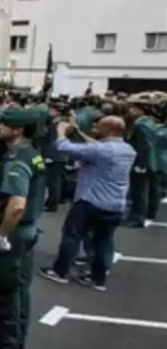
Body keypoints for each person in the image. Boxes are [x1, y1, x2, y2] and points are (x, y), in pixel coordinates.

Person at [39, 115, 135, 290]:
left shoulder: (101, 150)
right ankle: (98, 279)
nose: (95, 129)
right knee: (104, 241)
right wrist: (78, 131)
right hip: (115, 204)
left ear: (109, 130)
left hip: (90, 201)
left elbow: (64, 147)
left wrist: (61, 131)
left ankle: (60, 272)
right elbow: (96, 146)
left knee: (72, 236)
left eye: (99, 127)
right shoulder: (128, 150)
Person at [0, 107, 47, 349]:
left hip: (16, 232)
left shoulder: (17, 159)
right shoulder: (32, 154)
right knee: (20, 287)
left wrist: (2, 235)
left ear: (18, 130)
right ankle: (13, 333)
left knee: (5, 287)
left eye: (5, 124)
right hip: (29, 229)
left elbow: (17, 205)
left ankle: (7, 340)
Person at [126, 94, 158, 228]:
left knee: (139, 192)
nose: (130, 111)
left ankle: (137, 218)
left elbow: (144, 146)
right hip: (149, 162)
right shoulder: (149, 123)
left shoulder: (141, 126)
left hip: (142, 163)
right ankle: (142, 214)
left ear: (141, 110)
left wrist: (141, 164)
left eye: (133, 108)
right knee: (144, 190)